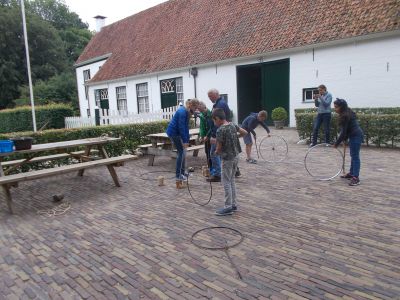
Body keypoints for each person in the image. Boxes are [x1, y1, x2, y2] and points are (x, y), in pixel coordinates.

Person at [212, 108, 248, 216]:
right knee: (231, 180)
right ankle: (233, 204)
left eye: (214, 120)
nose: (214, 123)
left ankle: (228, 207)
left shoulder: (220, 130)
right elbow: (245, 132)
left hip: (227, 159)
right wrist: (234, 137)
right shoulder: (232, 125)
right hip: (236, 156)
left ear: (217, 118)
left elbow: (218, 148)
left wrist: (215, 153)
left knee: (226, 181)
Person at [166, 98, 200, 185]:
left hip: (178, 133)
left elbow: (186, 127)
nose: (196, 110)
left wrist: (187, 139)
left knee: (183, 152)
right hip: (174, 133)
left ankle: (182, 172)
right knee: (181, 153)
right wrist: (185, 141)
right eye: (195, 108)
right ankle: (178, 175)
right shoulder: (182, 112)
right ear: (191, 105)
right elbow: (181, 127)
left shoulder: (187, 112)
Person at [333, 98, 364, 186]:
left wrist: (336, 143)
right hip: (353, 135)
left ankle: (356, 178)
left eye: (336, 107)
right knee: (353, 155)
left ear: (341, 107)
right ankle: (351, 173)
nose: (335, 109)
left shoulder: (345, 115)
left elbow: (343, 132)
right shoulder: (346, 112)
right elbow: (346, 130)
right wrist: (345, 139)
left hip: (356, 135)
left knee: (355, 156)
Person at [207, 88, 232, 182]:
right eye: (208, 96)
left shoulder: (220, 104)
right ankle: (235, 170)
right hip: (221, 131)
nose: (209, 98)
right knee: (222, 152)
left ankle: (217, 175)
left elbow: (217, 120)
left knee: (214, 153)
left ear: (216, 94)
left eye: (210, 96)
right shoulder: (220, 103)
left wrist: (213, 135)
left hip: (219, 132)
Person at [197, 101, 213, 170]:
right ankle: (209, 166)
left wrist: (207, 136)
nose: (200, 112)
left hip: (212, 136)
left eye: (200, 110)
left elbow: (212, 127)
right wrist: (201, 135)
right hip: (206, 136)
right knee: (207, 151)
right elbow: (202, 127)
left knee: (212, 152)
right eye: (199, 110)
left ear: (204, 107)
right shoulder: (202, 115)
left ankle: (213, 168)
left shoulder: (210, 114)